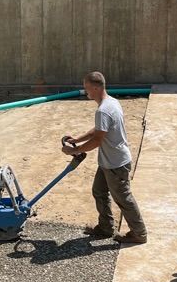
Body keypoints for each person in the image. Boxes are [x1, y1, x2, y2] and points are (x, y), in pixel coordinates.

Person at [61, 72, 147, 245]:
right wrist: (77, 140)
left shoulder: (103, 110)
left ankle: (139, 233)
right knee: (99, 191)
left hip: (116, 164)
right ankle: (106, 227)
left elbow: (98, 140)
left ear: (96, 87)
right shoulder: (112, 103)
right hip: (109, 162)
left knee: (123, 198)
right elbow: (99, 130)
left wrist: (73, 151)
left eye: (87, 88)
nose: (86, 92)